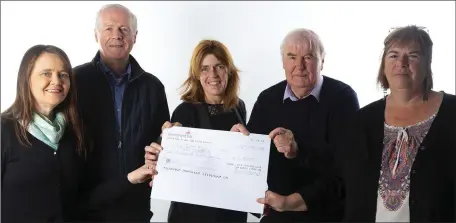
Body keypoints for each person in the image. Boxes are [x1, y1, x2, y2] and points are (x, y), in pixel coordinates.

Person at [231, 28, 360, 222]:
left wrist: (298, 152)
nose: (299, 66)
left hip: (325, 215)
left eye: (308, 57)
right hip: (277, 214)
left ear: (322, 61)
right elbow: (252, 161)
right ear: (283, 61)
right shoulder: (267, 99)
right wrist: (237, 144)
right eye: (291, 57)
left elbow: (345, 170)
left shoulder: (342, 98)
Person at [344, 25, 456, 222]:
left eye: (413, 55)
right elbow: (340, 181)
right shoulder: (361, 121)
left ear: (427, 63)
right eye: (393, 55)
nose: (401, 63)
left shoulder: (453, 112)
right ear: (383, 65)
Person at [73, 4, 170, 222]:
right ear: (95, 34)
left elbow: (162, 143)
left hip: (135, 206)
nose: (117, 35)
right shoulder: (74, 81)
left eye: (124, 29)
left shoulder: (153, 87)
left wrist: (172, 140)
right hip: (86, 207)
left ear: (135, 37)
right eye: (108, 28)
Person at [145, 39, 249, 222]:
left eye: (219, 66)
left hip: (230, 212)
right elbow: (170, 162)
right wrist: (166, 142)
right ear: (197, 75)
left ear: (229, 70)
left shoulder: (239, 107)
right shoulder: (185, 111)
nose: (213, 74)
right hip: (193, 214)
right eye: (205, 69)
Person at [1, 45, 86, 222]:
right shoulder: (4, 129)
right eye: (46, 73)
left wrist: (132, 177)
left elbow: (86, 195)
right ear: (27, 79)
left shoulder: (74, 132)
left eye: (63, 75)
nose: (56, 81)